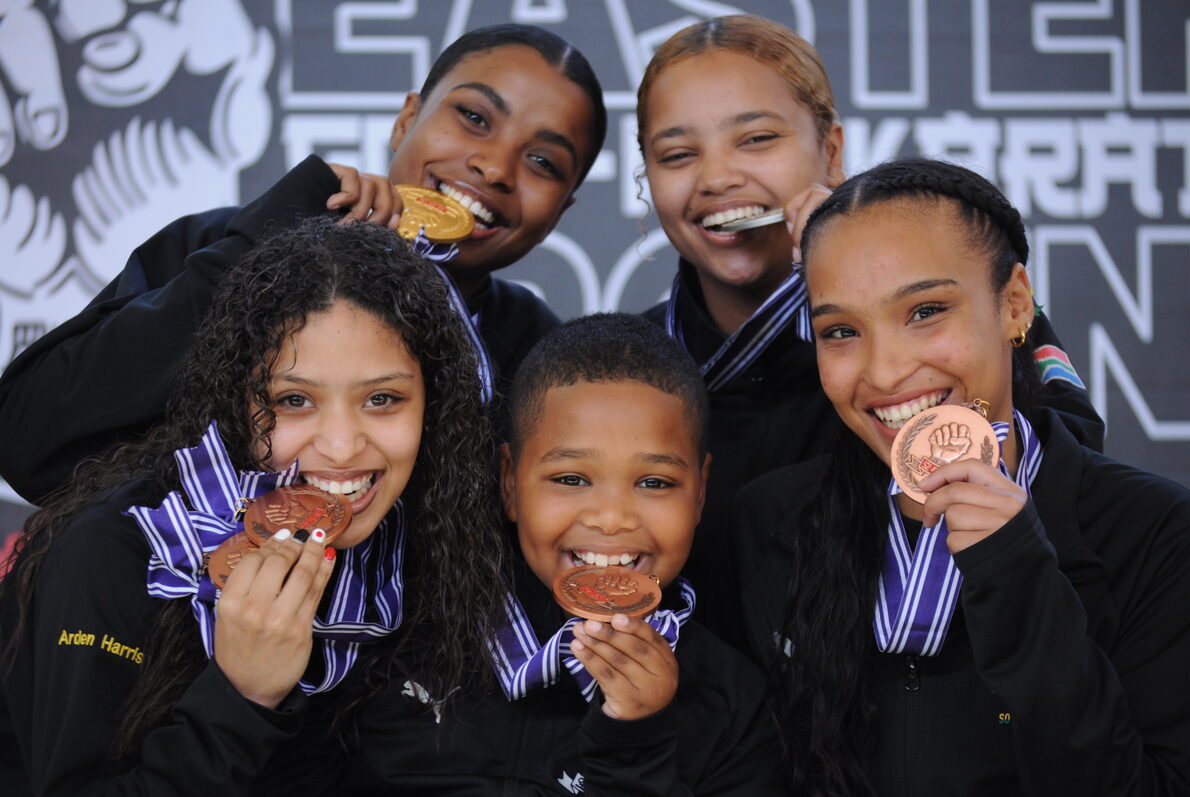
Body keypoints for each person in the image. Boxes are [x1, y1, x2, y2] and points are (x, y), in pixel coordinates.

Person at [732, 157, 1190, 795]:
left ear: (1013, 306)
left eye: (925, 311)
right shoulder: (770, 525)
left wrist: (1018, 577)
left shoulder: (1158, 534)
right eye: (840, 331)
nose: (887, 372)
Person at [0, 217, 509, 795]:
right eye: (293, 400)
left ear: (432, 408)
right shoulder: (116, 554)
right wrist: (242, 695)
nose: (341, 447)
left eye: (383, 399)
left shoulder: (422, 550)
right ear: (236, 401)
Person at [0, 23, 607, 504]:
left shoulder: (535, 351)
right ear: (405, 120)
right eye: (473, 118)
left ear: (565, 207)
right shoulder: (225, 243)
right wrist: (271, 240)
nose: (496, 167)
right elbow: (28, 440)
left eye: (543, 162)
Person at [634, 14, 1102, 637]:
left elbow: (1066, 449)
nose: (717, 177)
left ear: (830, 152)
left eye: (756, 140)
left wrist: (855, 248)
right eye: (678, 154)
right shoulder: (630, 362)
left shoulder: (907, 362)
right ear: (645, 174)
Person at [331, 314, 781, 795]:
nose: (611, 518)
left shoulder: (733, 702)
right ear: (509, 482)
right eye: (571, 479)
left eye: (655, 483)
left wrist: (634, 742)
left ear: (700, 493)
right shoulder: (395, 627)